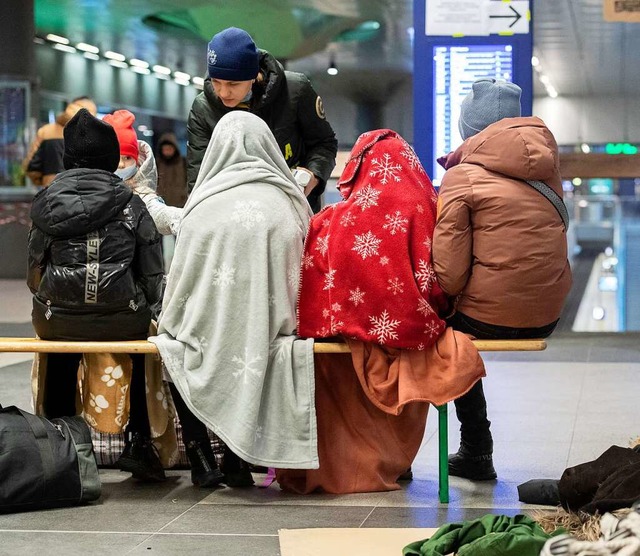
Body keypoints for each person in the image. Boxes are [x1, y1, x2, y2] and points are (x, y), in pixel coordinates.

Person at [278, 129, 485, 494]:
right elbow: (439, 284)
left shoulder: (332, 221)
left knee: (332, 361)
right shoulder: (428, 208)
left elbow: (310, 292)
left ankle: (346, 460)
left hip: (343, 342)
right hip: (412, 332)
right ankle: (399, 458)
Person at [150, 111, 317, 487]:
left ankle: (199, 453)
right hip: (274, 337)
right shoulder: (289, 205)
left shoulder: (202, 206)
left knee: (173, 348)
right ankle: (238, 456)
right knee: (267, 353)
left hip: (207, 335)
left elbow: (179, 285)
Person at [432, 78, 572, 481]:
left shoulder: (462, 177)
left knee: (436, 336)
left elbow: (450, 273)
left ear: (470, 129)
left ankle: (475, 449)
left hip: (489, 317)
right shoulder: (548, 170)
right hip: (548, 313)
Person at [27, 108, 166, 482]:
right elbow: (152, 270)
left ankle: (61, 449)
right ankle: (139, 442)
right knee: (137, 349)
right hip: (123, 317)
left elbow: (34, 270)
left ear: (67, 158)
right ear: (109, 159)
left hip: (58, 319)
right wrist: (151, 307)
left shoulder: (47, 202)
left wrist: (53, 300)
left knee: (59, 352)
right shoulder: (132, 203)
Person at [186, 26, 337, 212]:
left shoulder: (295, 91)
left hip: (294, 210)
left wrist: (312, 175)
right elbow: (199, 177)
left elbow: (324, 144)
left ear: (253, 76)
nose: (223, 92)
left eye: (233, 83)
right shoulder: (203, 108)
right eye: (216, 82)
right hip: (235, 214)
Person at [22, 96, 97, 186]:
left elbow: (31, 167)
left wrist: (46, 181)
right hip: (87, 192)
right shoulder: (97, 134)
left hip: (52, 192)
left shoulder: (46, 132)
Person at [156, 132, 188, 208]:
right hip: (161, 206)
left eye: (169, 149)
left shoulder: (184, 163)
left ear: (175, 149)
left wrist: (184, 194)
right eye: (165, 149)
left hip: (181, 205)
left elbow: (189, 181)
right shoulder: (156, 163)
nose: (167, 151)